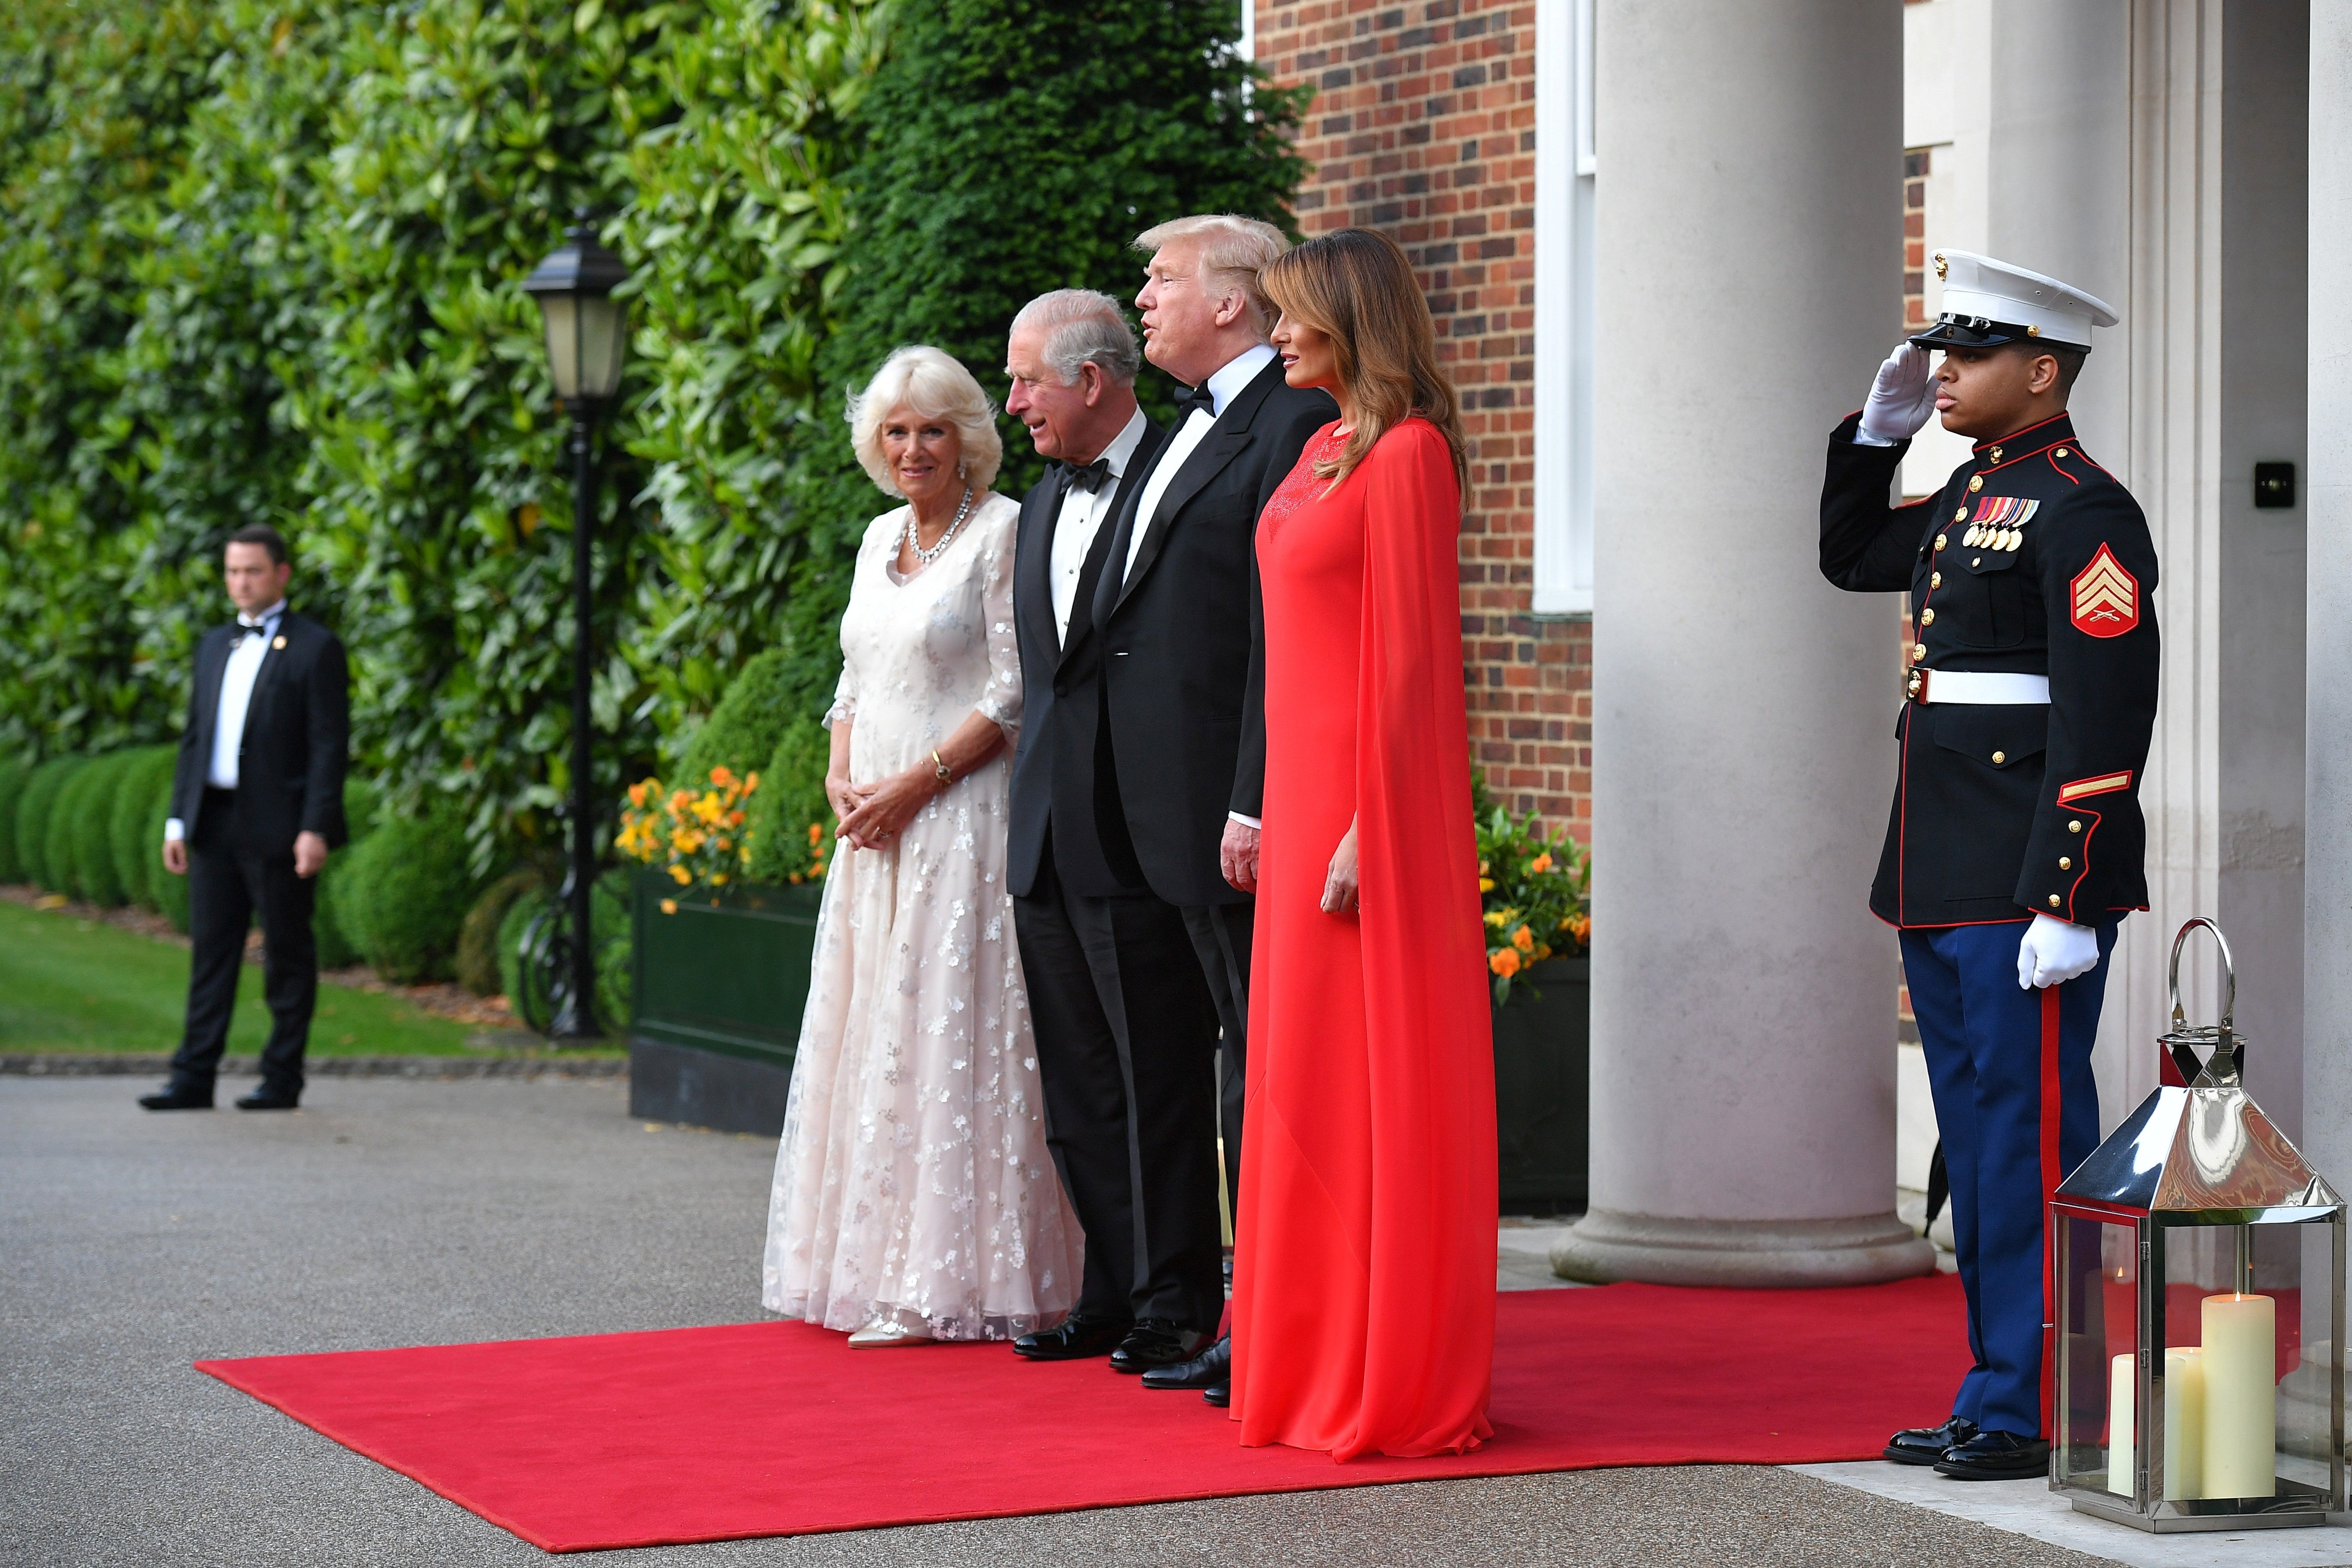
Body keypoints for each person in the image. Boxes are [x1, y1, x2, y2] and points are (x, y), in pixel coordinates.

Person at [1819, 251, 2159, 1481]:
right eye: (1937, 355)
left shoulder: (2081, 508)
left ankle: (2038, 1402)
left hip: (2024, 880)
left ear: (2041, 367)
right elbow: (1854, 554)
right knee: (1975, 1148)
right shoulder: (1977, 491)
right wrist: (1875, 436)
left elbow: (2105, 715)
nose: (1941, 372)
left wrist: (2069, 893)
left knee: (2023, 1141)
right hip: (1940, 865)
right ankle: (1993, 1389)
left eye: (1964, 357)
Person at [1226, 227, 1496, 1458]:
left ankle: (1379, 1368)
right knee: (1295, 1087)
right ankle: (1302, 1360)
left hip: (1361, 818)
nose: (1272, 330)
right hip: (1300, 808)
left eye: (1288, 313)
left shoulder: (1408, 453)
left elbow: (1410, 670)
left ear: (1346, 318)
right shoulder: (1323, 444)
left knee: (1363, 1086)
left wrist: (1363, 828)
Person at [762, 345, 1083, 1347]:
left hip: (960, 818)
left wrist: (919, 782)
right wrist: (840, 768)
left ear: (968, 439)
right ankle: (860, 1265)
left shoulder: (1004, 532)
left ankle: (943, 1278)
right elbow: (852, 678)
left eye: (933, 429)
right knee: (872, 1035)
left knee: (947, 1033)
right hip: (874, 830)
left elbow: (1017, 687)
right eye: (896, 432)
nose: (913, 448)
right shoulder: (874, 538)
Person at [142, 524, 349, 1113]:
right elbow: (194, 740)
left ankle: (281, 1078)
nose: (241, 583)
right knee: (211, 952)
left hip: (281, 827)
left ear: (281, 574)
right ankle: (193, 1077)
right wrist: (178, 822)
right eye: (233, 572)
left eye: (253, 571)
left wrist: (316, 826)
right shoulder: (213, 644)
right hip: (214, 820)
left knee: (286, 953)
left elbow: (329, 746)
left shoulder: (316, 648)